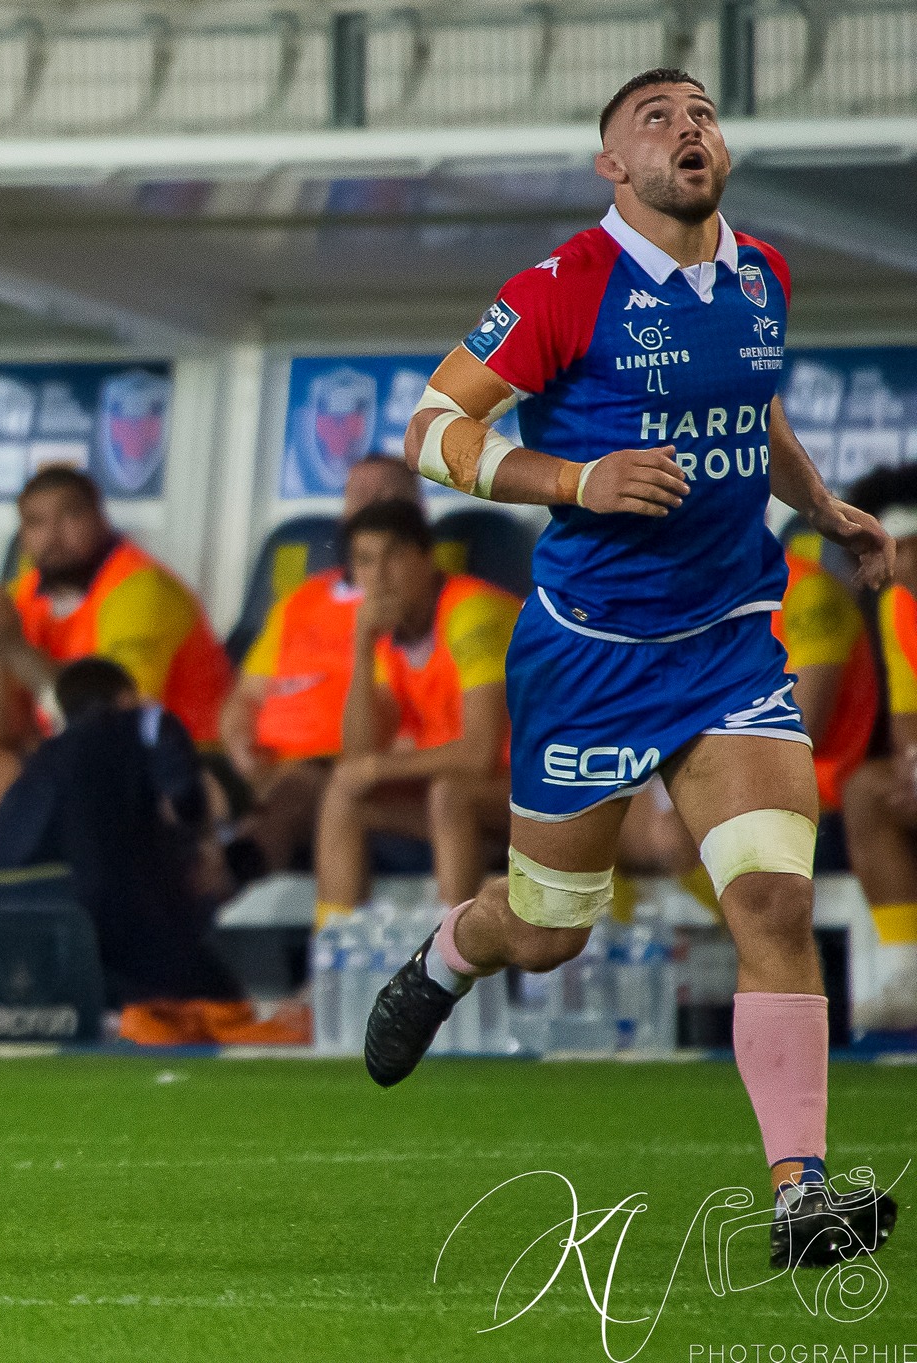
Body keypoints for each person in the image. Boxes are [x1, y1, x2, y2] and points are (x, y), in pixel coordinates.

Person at [362, 68, 897, 1270]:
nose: (683, 130)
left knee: (770, 898)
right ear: (612, 166)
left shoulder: (760, 274)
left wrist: (820, 507)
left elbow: (748, 413)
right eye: (653, 120)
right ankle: (451, 952)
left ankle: (798, 1195)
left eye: (698, 114)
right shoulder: (560, 287)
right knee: (547, 930)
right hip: (591, 656)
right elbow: (430, 430)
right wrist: (575, 479)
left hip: (726, 643)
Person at [0, 466, 231, 907]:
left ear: (99, 520)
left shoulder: (140, 589)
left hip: (164, 776)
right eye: (36, 523)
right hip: (75, 771)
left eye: (70, 516)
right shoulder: (24, 595)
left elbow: (113, 719)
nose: (52, 537)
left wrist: (14, 647)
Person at [0, 657, 237, 1032]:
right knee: (221, 998)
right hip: (124, 924)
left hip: (25, 929)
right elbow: (184, 799)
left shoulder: (45, 759)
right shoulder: (147, 723)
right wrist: (203, 844)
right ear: (126, 697)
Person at [618, 542, 877, 902]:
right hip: (746, 782)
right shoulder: (701, 602)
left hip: (819, 792)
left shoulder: (805, 592)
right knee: (598, 805)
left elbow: (801, 728)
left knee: (672, 828)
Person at [312, 500, 517, 925]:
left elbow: (480, 754)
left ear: (426, 558)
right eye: (365, 561)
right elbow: (358, 754)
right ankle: (333, 944)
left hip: (540, 787)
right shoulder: (389, 632)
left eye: (393, 556)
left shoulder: (471, 613)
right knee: (343, 791)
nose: (379, 575)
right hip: (472, 801)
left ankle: (450, 953)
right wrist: (362, 649)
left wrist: (377, 768)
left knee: (448, 792)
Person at [222, 455, 424, 876]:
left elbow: (397, 719)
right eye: (357, 493)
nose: (368, 503)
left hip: (339, 767)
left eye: (384, 493)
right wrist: (239, 744)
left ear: (417, 510)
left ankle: (227, 885)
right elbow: (246, 695)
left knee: (287, 799)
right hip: (264, 765)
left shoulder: (414, 607)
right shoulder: (301, 598)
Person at [835, 465, 917, 1032]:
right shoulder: (898, 606)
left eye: (907, 548)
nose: (896, 563)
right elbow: (906, 720)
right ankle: (907, 971)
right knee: (867, 791)